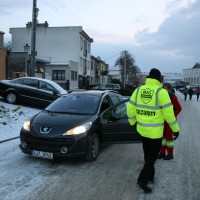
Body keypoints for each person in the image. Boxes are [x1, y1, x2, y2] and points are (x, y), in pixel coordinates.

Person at [127, 68, 180, 193]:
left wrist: (133, 122)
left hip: (142, 130)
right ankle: (142, 180)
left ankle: (150, 177)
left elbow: (130, 107)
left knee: (147, 155)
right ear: (159, 78)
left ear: (149, 77)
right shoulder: (161, 92)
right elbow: (168, 114)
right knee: (152, 157)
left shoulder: (139, 90)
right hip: (155, 132)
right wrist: (175, 129)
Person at [158, 83, 182, 160]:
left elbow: (179, 108)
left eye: (166, 88)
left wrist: (172, 116)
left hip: (169, 122)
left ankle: (170, 154)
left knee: (169, 138)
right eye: (164, 88)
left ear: (169, 89)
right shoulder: (161, 97)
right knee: (163, 138)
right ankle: (162, 153)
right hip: (162, 121)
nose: (165, 89)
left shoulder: (173, 97)